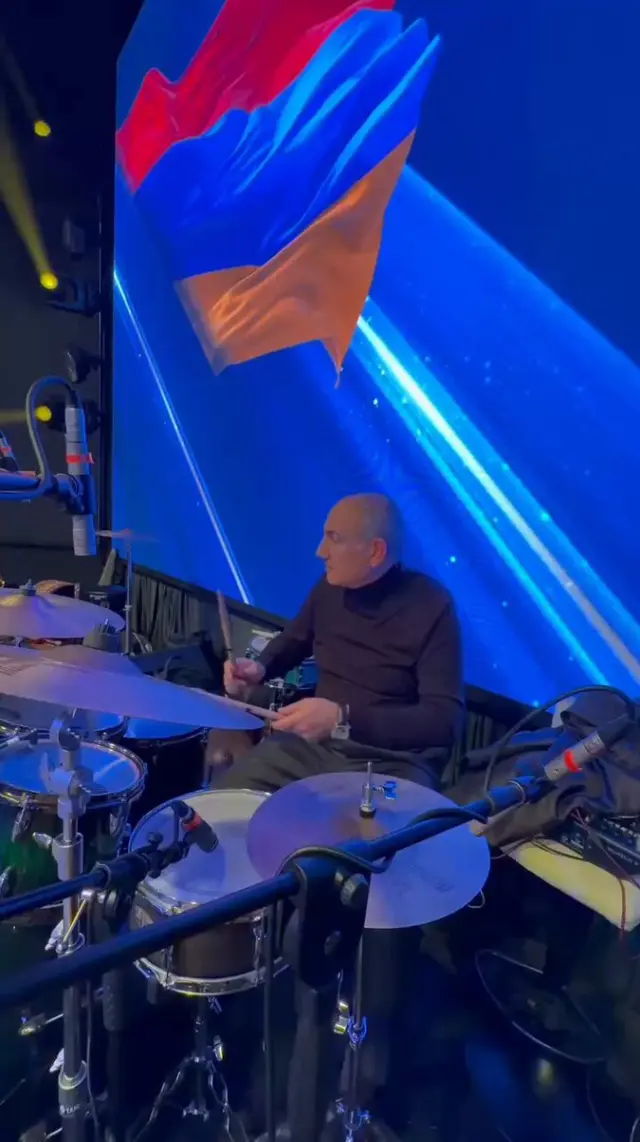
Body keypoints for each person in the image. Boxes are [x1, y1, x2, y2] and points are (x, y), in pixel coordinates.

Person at [214, 493, 464, 1142]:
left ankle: (371, 1048)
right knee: (223, 808)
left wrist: (345, 717)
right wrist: (254, 669)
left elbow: (442, 721)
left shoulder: (432, 607)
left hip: (393, 764)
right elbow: (290, 645)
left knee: (375, 881)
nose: (319, 550)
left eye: (333, 538)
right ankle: (227, 968)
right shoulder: (330, 590)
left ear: (374, 552)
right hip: (312, 749)